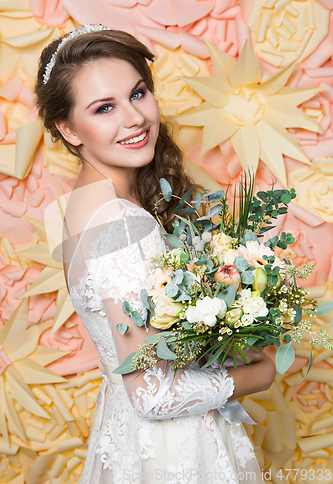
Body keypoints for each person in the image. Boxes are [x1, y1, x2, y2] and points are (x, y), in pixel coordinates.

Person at [35, 25, 276, 484]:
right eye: (104, 108)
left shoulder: (73, 207)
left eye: (138, 93)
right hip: (172, 449)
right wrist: (257, 374)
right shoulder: (124, 223)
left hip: (127, 431)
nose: (135, 118)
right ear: (67, 129)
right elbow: (151, 394)